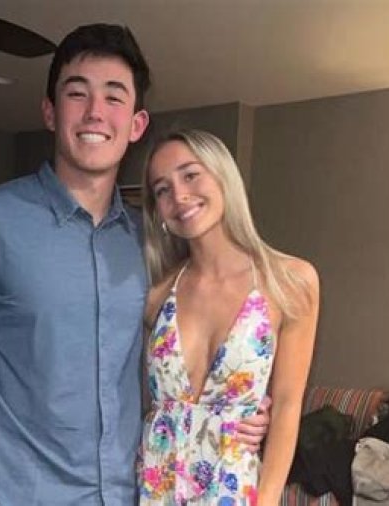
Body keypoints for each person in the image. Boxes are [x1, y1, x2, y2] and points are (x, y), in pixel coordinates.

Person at [0, 25, 269, 506]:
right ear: (50, 112)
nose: (94, 112)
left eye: (113, 96)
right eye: (77, 93)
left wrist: (238, 408)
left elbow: (184, 350)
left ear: (136, 124)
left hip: (132, 494)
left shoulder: (153, 244)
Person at [137, 129, 319, 505]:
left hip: (235, 491)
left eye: (191, 175)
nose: (179, 196)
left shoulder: (289, 281)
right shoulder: (156, 296)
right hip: (157, 489)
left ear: (223, 176)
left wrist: (266, 498)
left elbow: (288, 403)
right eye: (163, 190)